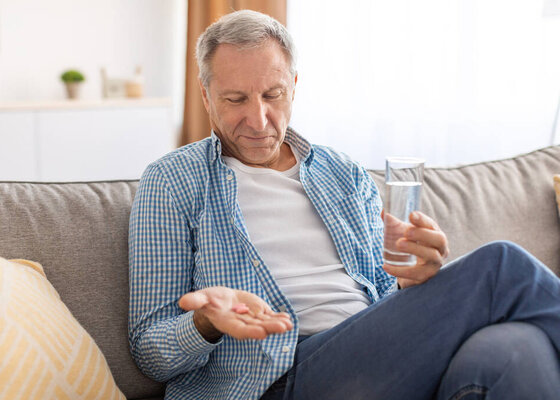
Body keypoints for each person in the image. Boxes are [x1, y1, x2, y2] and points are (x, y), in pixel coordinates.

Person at [128, 10, 560, 400]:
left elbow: (381, 297)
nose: (258, 120)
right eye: (235, 99)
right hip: (275, 380)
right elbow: (151, 353)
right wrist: (206, 322)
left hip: (372, 362)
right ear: (206, 96)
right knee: (501, 265)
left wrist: (416, 285)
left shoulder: (344, 173)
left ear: (294, 88)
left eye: (272, 95)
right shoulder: (172, 181)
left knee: (518, 350)